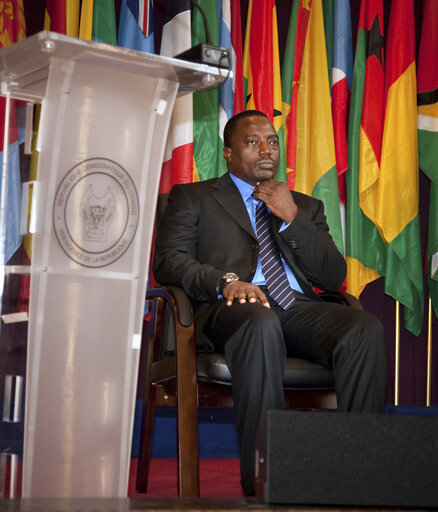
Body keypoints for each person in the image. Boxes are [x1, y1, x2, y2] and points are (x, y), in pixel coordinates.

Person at [153, 110, 387, 496]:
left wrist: (292, 217)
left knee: (364, 328)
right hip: (231, 308)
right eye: (253, 142)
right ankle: (268, 480)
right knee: (260, 322)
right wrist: (225, 281)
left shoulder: (306, 207)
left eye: (273, 142)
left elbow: (331, 276)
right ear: (228, 153)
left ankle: (360, 474)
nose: (266, 149)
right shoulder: (194, 197)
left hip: (295, 308)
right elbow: (169, 261)